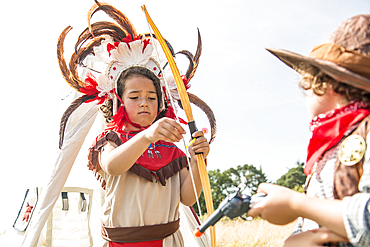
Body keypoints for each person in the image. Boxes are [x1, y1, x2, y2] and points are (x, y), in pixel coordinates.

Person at [57, 1, 216, 246]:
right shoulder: (111, 139)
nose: (144, 103)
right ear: (120, 102)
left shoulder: (171, 148)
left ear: (160, 103)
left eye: (152, 97)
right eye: (134, 97)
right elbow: (112, 166)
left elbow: (187, 197)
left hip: (168, 241)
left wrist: (197, 161)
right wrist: (148, 136)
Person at [248, 15, 370, 247]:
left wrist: (296, 203)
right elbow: (315, 215)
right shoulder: (328, 146)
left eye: (308, 89)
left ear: (328, 85)